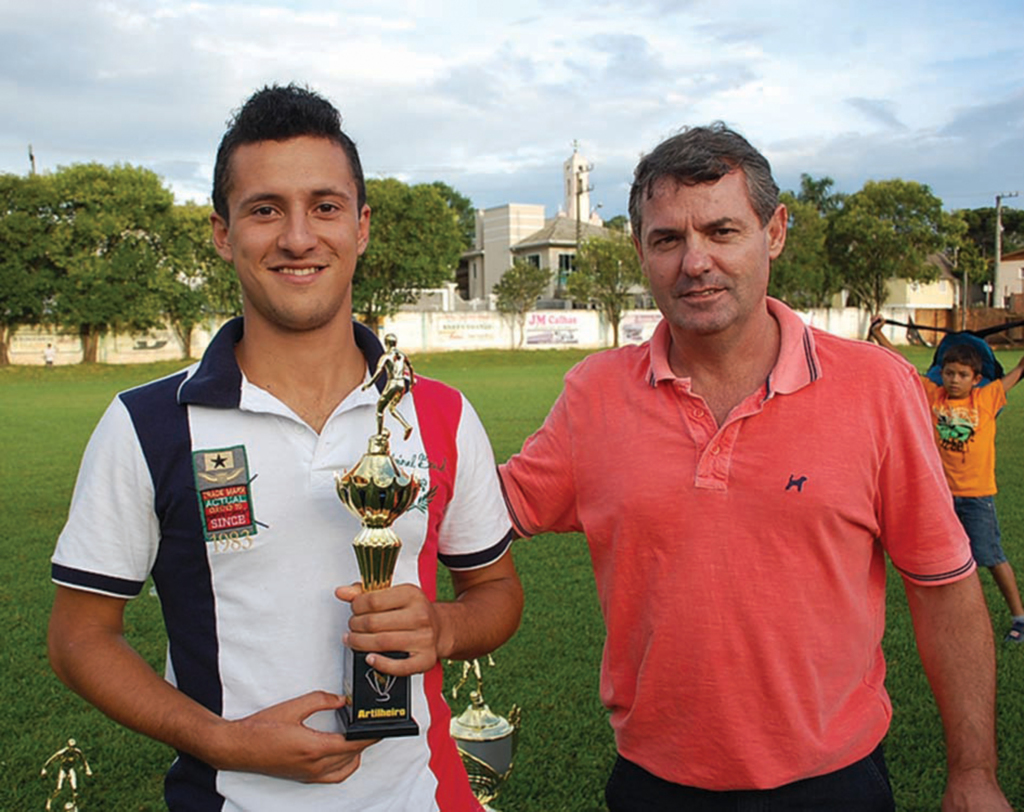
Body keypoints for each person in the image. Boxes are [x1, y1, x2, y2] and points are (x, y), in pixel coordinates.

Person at [499, 123, 1011, 810]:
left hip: (834, 785)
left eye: (722, 231)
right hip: (653, 785)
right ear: (641, 251)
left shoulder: (876, 388)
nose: (695, 262)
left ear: (774, 233)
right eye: (668, 239)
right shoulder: (594, 395)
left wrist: (973, 774)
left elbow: (945, 588)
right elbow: (486, 509)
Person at [47, 84, 522, 812]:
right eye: (265, 209)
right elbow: (79, 639)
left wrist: (443, 625)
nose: (298, 237)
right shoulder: (148, 424)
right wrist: (220, 740)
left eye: (325, 207)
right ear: (221, 232)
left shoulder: (441, 412)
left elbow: (495, 592)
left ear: (361, 227)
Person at [870, 317, 1024, 644]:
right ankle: (953, 616)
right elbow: (903, 366)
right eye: (949, 373)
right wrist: (878, 332)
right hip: (939, 496)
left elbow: (1019, 371)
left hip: (977, 497)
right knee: (941, 557)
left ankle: (1019, 615)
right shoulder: (933, 395)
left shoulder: (987, 398)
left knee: (991, 556)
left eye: (963, 375)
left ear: (977, 379)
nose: (954, 380)